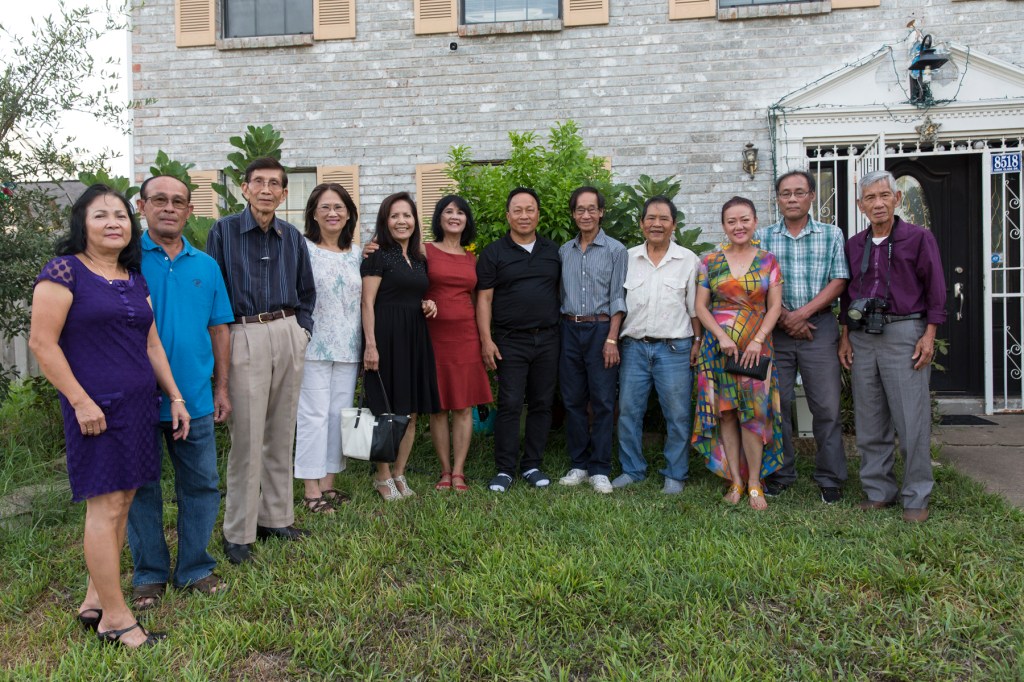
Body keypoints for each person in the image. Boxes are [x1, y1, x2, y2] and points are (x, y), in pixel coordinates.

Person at [29, 184, 190, 648]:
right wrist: (80, 401)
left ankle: (95, 598)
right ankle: (117, 621)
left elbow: (152, 344)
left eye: (120, 215)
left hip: (138, 407)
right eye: (100, 215)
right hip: (95, 410)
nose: (113, 223)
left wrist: (175, 396)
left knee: (123, 502)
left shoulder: (133, 277)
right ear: (82, 224)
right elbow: (42, 343)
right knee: (106, 506)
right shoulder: (64, 271)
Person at [126, 175, 232, 612]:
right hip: (136, 396)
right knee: (142, 488)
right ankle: (149, 574)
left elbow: (219, 328)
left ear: (189, 211)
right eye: (159, 200)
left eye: (178, 202)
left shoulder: (206, 265)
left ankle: (195, 568)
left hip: (196, 395)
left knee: (202, 484)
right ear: (142, 206)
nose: (169, 208)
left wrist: (222, 386)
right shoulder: (124, 260)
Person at [206, 158, 316, 564]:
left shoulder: (292, 237)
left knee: (282, 431)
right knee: (247, 439)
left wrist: (302, 331)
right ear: (245, 188)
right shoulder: (223, 232)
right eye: (258, 182)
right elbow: (213, 292)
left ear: (284, 194)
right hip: (244, 333)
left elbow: (307, 291)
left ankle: (276, 518)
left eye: (274, 184)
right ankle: (238, 533)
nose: (266, 189)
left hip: (287, 331)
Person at [838, 169, 946, 523]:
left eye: (884, 195)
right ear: (860, 205)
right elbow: (847, 295)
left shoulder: (918, 238)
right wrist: (845, 336)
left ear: (897, 199)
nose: (878, 203)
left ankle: (916, 495)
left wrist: (929, 335)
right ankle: (878, 490)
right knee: (870, 419)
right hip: (862, 336)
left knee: (911, 419)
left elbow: (935, 289)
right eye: (870, 198)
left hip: (905, 332)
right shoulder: (855, 244)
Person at [755, 171, 850, 504]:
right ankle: (781, 473)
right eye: (785, 193)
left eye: (799, 192)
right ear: (777, 199)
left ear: (811, 196)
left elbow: (839, 280)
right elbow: (757, 284)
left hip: (819, 328)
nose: (792, 198)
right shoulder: (763, 237)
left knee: (826, 407)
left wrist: (802, 314)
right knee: (776, 405)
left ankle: (830, 477)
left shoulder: (831, 234)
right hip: (776, 331)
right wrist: (785, 317)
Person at [693, 196, 785, 510]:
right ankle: (735, 480)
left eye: (744, 219)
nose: (738, 226)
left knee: (754, 414)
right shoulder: (709, 262)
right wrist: (720, 337)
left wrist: (758, 340)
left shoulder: (769, 261)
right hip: (718, 351)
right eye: (731, 221)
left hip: (755, 352)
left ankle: (755, 483)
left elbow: (775, 307)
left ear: (755, 221)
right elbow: (700, 307)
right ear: (723, 225)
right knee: (727, 412)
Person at [614, 196, 702, 495]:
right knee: (628, 412)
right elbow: (618, 304)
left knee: (677, 415)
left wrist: (697, 341)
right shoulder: (627, 258)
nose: (657, 224)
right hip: (634, 348)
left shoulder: (688, 260)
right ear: (641, 224)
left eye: (664, 218)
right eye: (651, 218)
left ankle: (675, 473)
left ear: (673, 225)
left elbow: (694, 308)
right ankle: (632, 469)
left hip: (674, 349)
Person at [476, 187, 561, 493]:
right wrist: (486, 340)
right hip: (510, 340)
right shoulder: (493, 253)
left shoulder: (554, 251)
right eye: (518, 210)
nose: (524, 216)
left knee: (542, 402)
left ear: (538, 214)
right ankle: (504, 469)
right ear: (508, 215)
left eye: (530, 209)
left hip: (548, 339)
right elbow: (484, 299)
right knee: (510, 403)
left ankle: (532, 464)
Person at [361, 191, 441, 500]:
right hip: (385, 337)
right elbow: (367, 303)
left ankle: (399, 472)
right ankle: (382, 477)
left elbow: (411, 294)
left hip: (414, 337)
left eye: (407, 215)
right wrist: (370, 345)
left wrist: (427, 303)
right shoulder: (377, 255)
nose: (401, 221)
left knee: (410, 411)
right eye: (394, 216)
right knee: (385, 410)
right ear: (385, 221)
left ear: (415, 220)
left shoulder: (419, 259)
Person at [294, 183, 362, 513]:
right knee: (313, 417)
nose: (332, 213)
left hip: (349, 348)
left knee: (338, 417)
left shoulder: (358, 254)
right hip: (313, 346)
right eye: (325, 207)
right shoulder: (302, 249)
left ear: (349, 214)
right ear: (313, 214)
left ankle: (328, 484)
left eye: (338, 207)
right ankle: (311, 490)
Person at [557, 186, 627, 494]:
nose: (586, 215)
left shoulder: (616, 250)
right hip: (569, 329)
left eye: (591, 209)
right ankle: (579, 464)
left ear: (601, 212)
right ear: (573, 214)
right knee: (573, 400)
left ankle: (600, 468)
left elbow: (618, 297)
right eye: (580, 209)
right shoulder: (564, 251)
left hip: (601, 330)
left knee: (602, 401)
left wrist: (612, 338)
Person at [424, 195, 493, 492]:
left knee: (464, 405)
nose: (455, 216)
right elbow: (407, 281)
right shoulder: (423, 250)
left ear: (467, 220)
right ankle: (444, 469)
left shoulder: (471, 258)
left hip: (466, 336)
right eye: (449, 211)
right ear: (439, 218)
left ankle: (459, 471)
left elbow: (479, 301)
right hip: (433, 336)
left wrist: (484, 339)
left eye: (461, 212)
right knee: (439, 407)